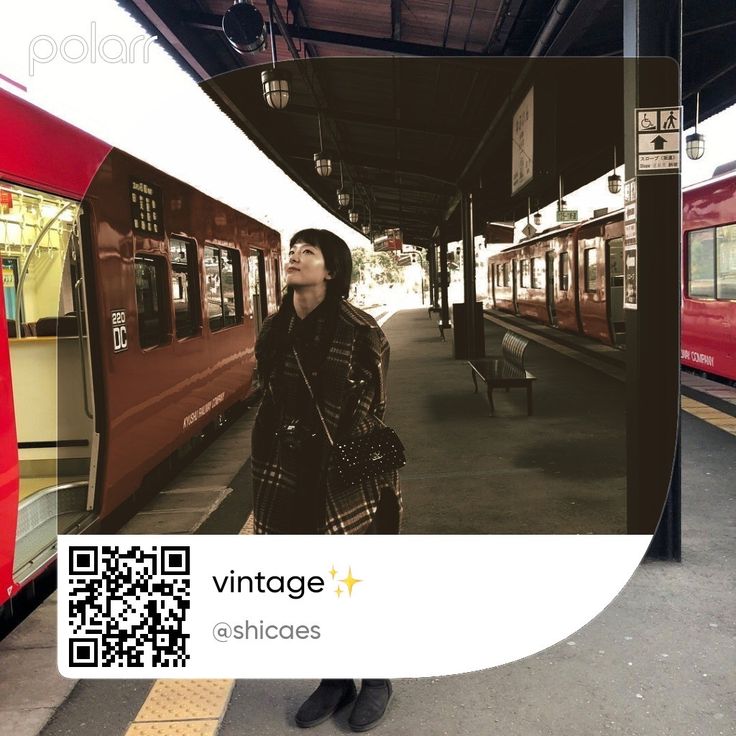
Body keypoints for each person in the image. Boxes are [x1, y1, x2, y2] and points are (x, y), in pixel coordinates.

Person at [251, 228, 402, 731]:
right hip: (288, 472)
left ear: (331, 270)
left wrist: (334, 454)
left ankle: (377, 679)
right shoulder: (274, 331)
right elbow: (270, 401)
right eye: (292, 252)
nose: (294, 259)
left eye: (307, 253)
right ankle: (335, 678)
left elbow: (372, 408)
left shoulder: (362, 332)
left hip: (349, 472)